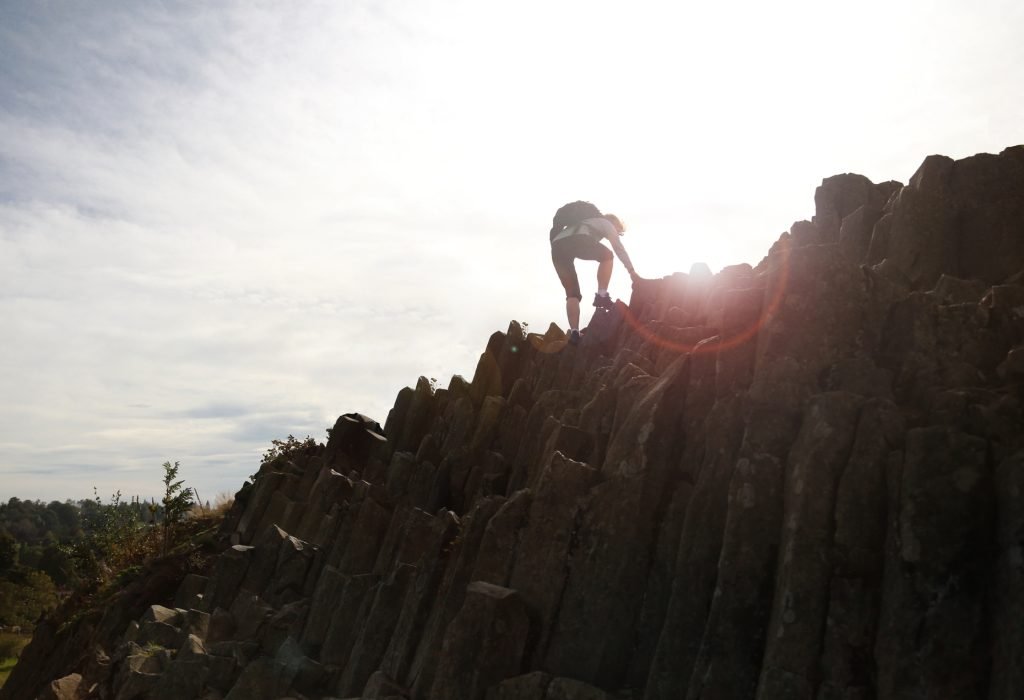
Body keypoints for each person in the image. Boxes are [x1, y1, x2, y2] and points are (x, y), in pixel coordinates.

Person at [549, 201, 640, 345]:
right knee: (607, 256)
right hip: (577, 240)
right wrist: (631, 271)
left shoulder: (582, 222)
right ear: (614, 223)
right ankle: (601, 295)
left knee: (572, 293)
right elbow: (618, 248)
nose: (617, 233)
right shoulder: (606, 223)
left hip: (557, 246)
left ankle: (574, 332)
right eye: (618, 231)